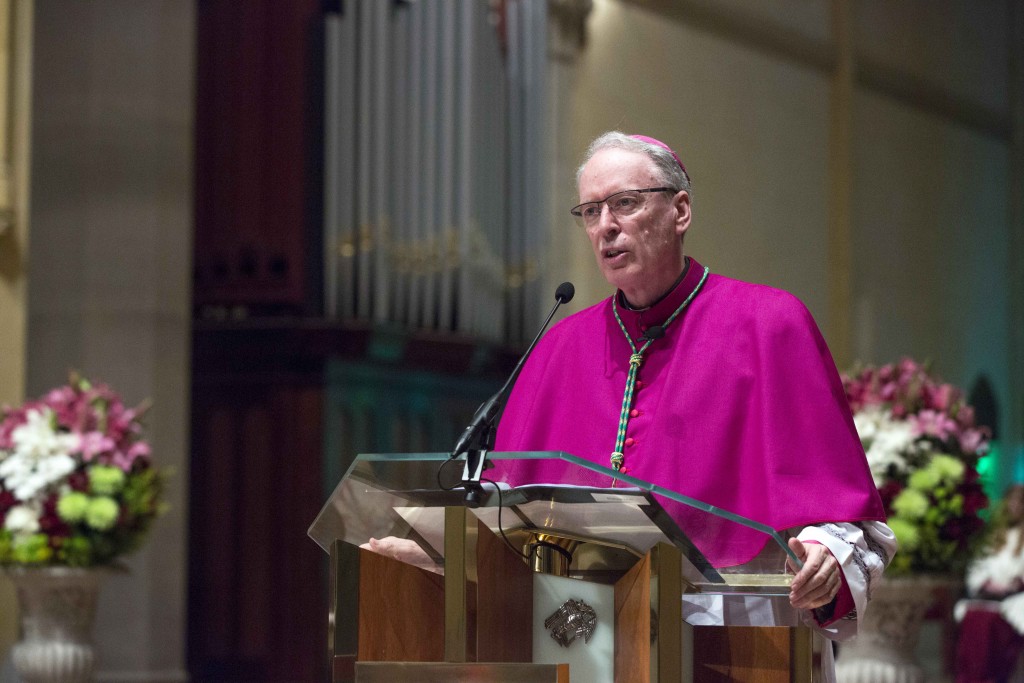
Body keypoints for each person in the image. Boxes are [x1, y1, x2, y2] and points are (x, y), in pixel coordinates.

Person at [491, 131, 896, 677]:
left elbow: (841, 513)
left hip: (739, 634)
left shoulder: (769, 324)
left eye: (624, 203)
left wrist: (827, 554)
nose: (605, 225)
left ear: (680, 210)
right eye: (590, 211)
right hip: (589, 636)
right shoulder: (559, 348)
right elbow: (508, 502)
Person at [955, 484, 1024, 682]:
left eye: (1019, 502)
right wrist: (987, 583)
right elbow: (980, 568)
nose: (1015, 506)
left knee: (990, 622)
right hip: (989, 596)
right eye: (1012, 501)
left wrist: (1014, 584)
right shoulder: (995, 537)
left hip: (1015, 599)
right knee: (972, 616)